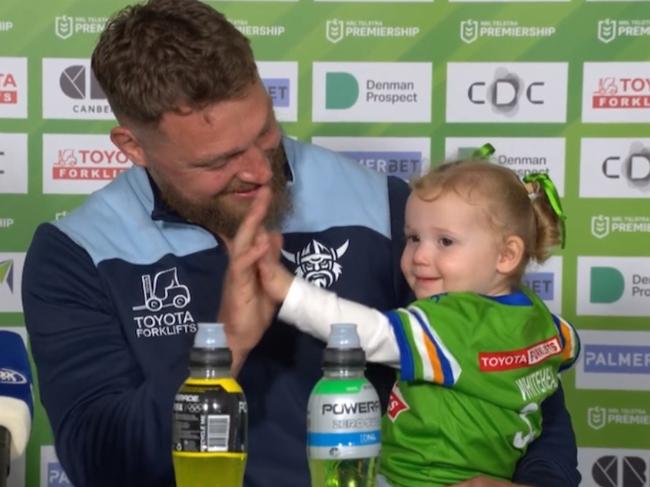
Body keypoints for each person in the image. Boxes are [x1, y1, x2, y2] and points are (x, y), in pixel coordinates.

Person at [20, 0, 580, 486]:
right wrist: (225, 351)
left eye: (263, 133)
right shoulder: (78, 254)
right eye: (217, 161)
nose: (257, 172)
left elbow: (511, 365)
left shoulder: (385, 207)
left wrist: (541, 481)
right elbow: (102, 461)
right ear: (133, 147)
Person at [254, 161, 580, 486]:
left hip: (412, 479)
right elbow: (571, 348)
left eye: (445, 242)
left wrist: (286, 290)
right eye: (412, 238)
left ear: (506, 255)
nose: (420, 256)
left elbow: (363, 332)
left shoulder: (449, 322)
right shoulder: (542, 321)